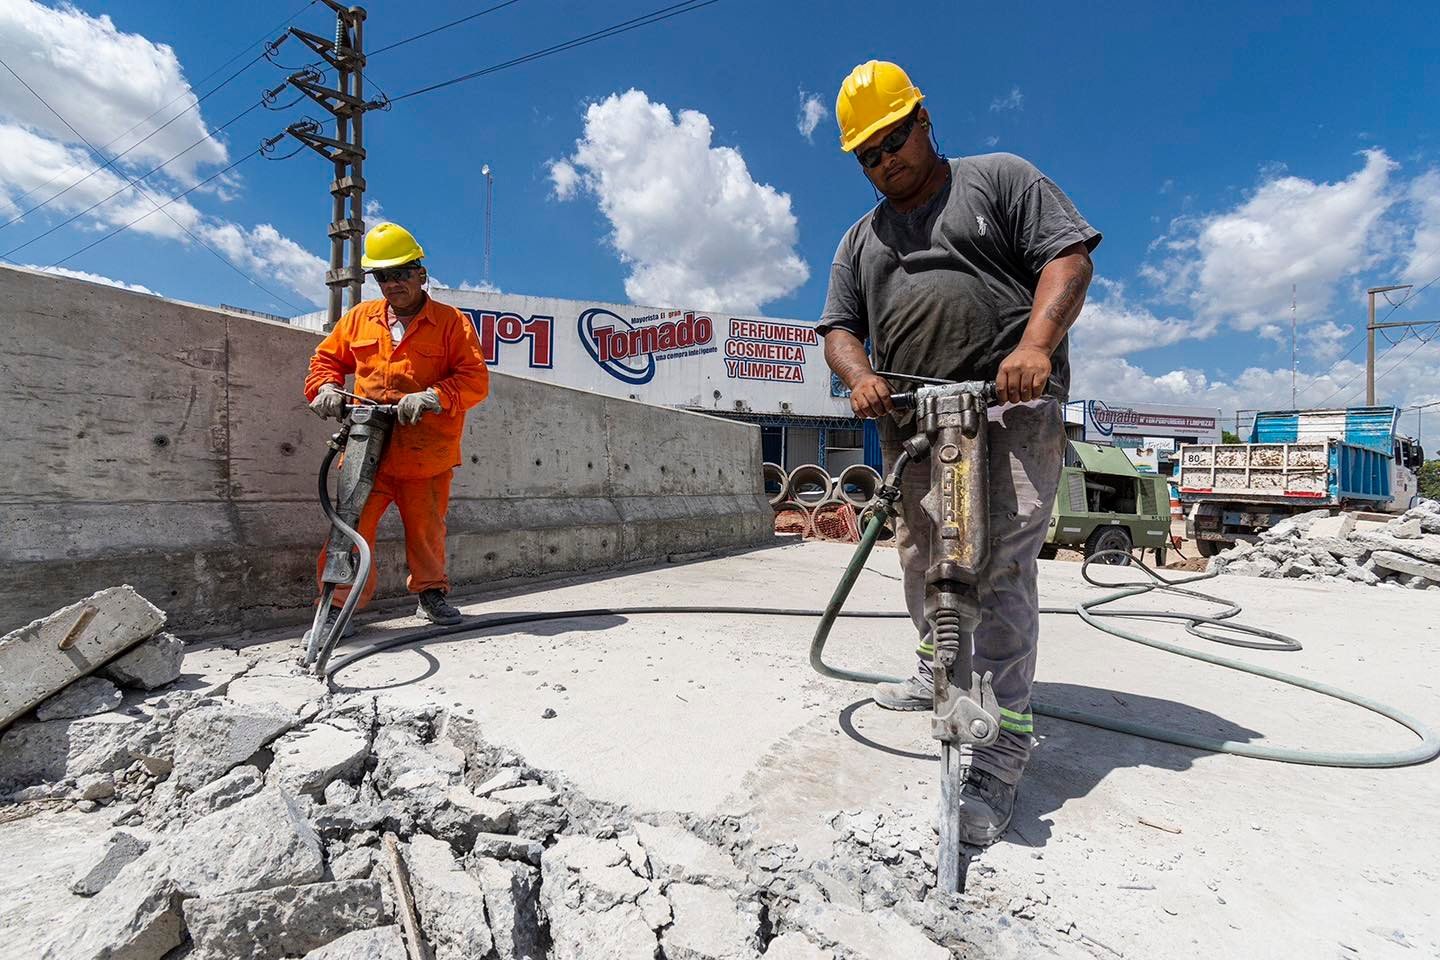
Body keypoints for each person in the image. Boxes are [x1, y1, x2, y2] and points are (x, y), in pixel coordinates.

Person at [817, 61, 1100, 845]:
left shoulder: (999, 181)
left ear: (924, 120)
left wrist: (1035, 345)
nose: (885, 161)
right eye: (867, 155)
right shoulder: (860, 240)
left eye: (893, 140)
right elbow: (839, 328)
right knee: (923, 561)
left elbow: (1069, 259)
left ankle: (1002, 746)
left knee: (999, 570)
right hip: (914, 426)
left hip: (1009, 416)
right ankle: (936, 669)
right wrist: (860, 377)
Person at [304, 221, 489, 633]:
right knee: (349, 529)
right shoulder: (359, 319)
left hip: (426, 451)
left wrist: (433, 397)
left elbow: (475, 379)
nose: (393, 283)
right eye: (383, 276)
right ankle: (336, 607)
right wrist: (326, 387)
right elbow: (326, 361)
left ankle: (431, 593)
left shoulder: (451, 323)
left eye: (401, 273)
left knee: (426, 531)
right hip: (366, 447)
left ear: (421, 273)